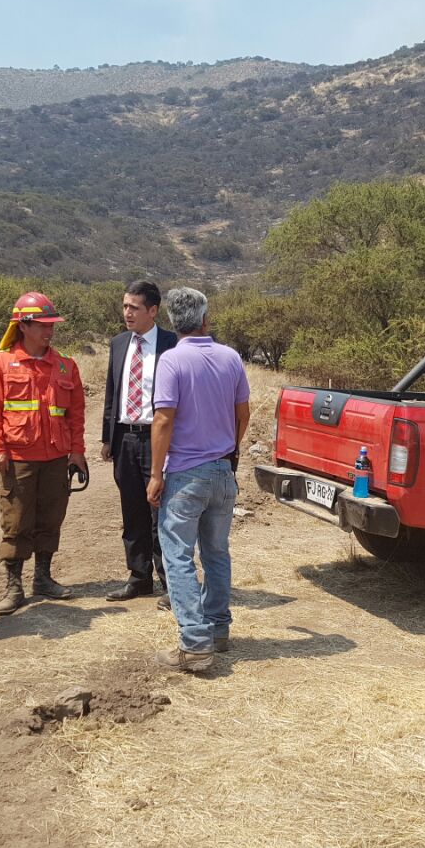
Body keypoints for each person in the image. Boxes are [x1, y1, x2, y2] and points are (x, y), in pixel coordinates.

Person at [146, 287, 250, 672]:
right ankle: (218, 630)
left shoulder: (172, 361)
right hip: (223, 471)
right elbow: (243, 413)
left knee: (177, 556)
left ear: (173, 324)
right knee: (217, 552)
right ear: (206, 320)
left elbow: (163, 420)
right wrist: (229, 451)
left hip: (186, 474)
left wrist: (156, 474)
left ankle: (194, 644)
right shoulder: (231, 358)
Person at [0, 292, 86, 615]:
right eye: (43, 325)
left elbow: (77, 415)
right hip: (19, 458)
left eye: (51, 325)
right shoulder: (1, 363)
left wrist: (77, 453)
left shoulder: (66, 366)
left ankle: (43, 577)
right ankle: (14, 585)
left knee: (50, 518)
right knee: (16, 521)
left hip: (55, 458)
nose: (49, 331)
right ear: (24, 325)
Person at [100, 280, 178, 601]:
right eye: (125, 306)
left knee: (162, 511)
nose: (127, 313)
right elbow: (111, 393)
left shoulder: (172, 344)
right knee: (131, 510)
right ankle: (139, 576)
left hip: (159, 439)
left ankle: (171, 583)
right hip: (125, 440)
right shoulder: (119, 344)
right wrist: (108, 438)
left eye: (134, 307)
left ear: (153, 310)